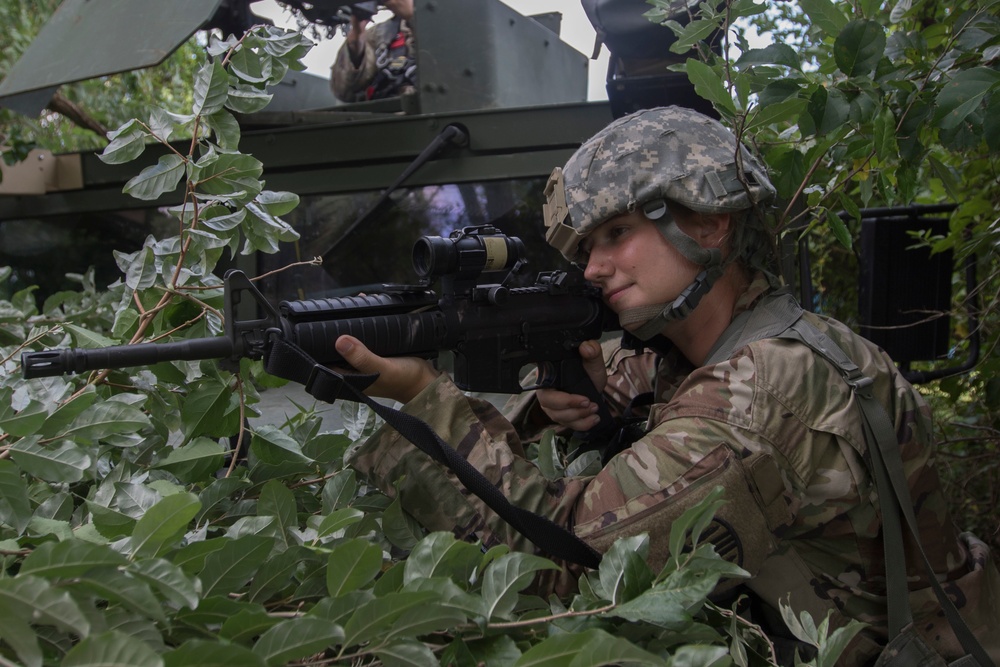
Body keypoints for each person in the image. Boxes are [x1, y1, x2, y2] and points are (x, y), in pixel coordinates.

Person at [334, 106, 999, 665]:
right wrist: (565, 407)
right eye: (587, 244)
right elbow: (625, 387)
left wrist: (424, 397)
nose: (593, 267)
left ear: (709, 221)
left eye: (618, 233)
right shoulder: (734, 341)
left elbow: (568, 564)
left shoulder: (763, 391)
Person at [329, 0, 417, 103]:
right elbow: (343, 91)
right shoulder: (380, 34)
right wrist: (356, 40)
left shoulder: (438, 24)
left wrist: (413, 18)